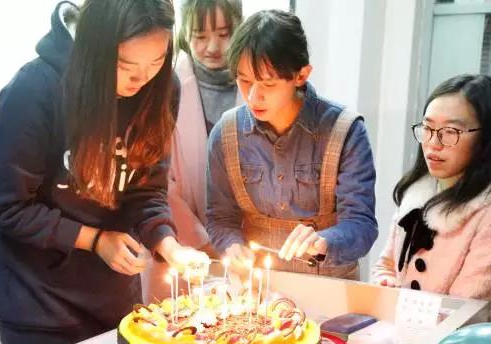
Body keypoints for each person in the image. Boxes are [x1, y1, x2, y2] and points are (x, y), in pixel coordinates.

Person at [0, 0, 208, 344]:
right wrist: (95, 240)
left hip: (114, 305)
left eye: (156, 63)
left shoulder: (161, 88)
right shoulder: (35, 90)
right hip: (40, 307)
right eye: (126, 67)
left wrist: (168, 245)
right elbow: (9, 208)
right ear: (95, 49)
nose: (142, 80)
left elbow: (147, 190)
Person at [206, 10, 378, 283]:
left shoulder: (344, 131)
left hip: (330, 288)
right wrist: (232, 245)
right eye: (244, 80)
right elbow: (220, 217)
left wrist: (325, 241)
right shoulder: (226, 134)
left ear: (301, 75)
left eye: (268, 83)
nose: (253, 96)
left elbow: (362, 225)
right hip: (256, 289)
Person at [142, 0, 243, 303]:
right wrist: (203, 242)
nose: (212, 47)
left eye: (224, 34)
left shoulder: (256, 84)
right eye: (200, 36)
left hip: (240, 245)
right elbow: (158, 181)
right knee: (178, 320)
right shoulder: (164, 84)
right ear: (185, 33)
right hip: (181, 244)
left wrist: (229, 242)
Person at [372, 74, 491, 300]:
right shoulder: (417, 193)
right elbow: (385, 266)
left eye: (450, 131)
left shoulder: (485, 212)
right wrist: (386, 283)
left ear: (484, 137)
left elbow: (465, 307)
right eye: (427, 128)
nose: (433, 143)